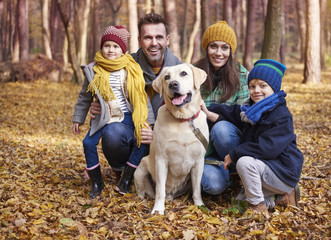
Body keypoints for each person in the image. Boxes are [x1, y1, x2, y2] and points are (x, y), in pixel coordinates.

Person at [89, 13, 182, 194]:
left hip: (166, 138)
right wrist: (99, 104)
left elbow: (185, 115)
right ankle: (122, 171)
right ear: (139, 40)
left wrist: (155, 132)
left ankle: (162, 176)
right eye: (148, 37)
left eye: (159, 37)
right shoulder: (124, 65)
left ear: (168, 39)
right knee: (112, 133)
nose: (153, 43)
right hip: (132, 132)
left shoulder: (179, 70)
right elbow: (105, 87)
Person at [201, 59, 303, 212]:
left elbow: (267, 148)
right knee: (238, 203)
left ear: (274, 88)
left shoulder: (280, 115)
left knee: (244, 162)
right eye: (252, 86)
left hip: (282, 171)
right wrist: (208, 110)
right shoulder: (253, 110)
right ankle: (282, 196)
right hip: (266, 168)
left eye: (263, 86)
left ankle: (257, 208)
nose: (256, 90)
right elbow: (232, 112)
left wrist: (234, 154)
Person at [72, 25, 150, 198]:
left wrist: (147, 123)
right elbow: (85, 96)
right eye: (107, 46)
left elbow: (141, 96)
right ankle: (97, 182)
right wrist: (78, 118)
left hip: (127, 115)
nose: (111, 50)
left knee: (142, 140)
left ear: (123, 50)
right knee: (88, 143)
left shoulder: (131, 68)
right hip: (104, 116)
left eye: (115, 47)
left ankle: (126, 179)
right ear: (101, 47)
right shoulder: (93, 70)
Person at [193, 21, 249, 195]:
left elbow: (245, 117)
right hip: (202, 145)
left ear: (231, 50)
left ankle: (238, 173)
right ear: (206, 48)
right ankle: (222, 176)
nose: (218, 53)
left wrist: (213, 116)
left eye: (225, 48)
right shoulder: (194, 73)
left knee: (222, 129)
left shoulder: (241, 75)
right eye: (213, 47)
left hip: (230, 143)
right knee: (213, 186)